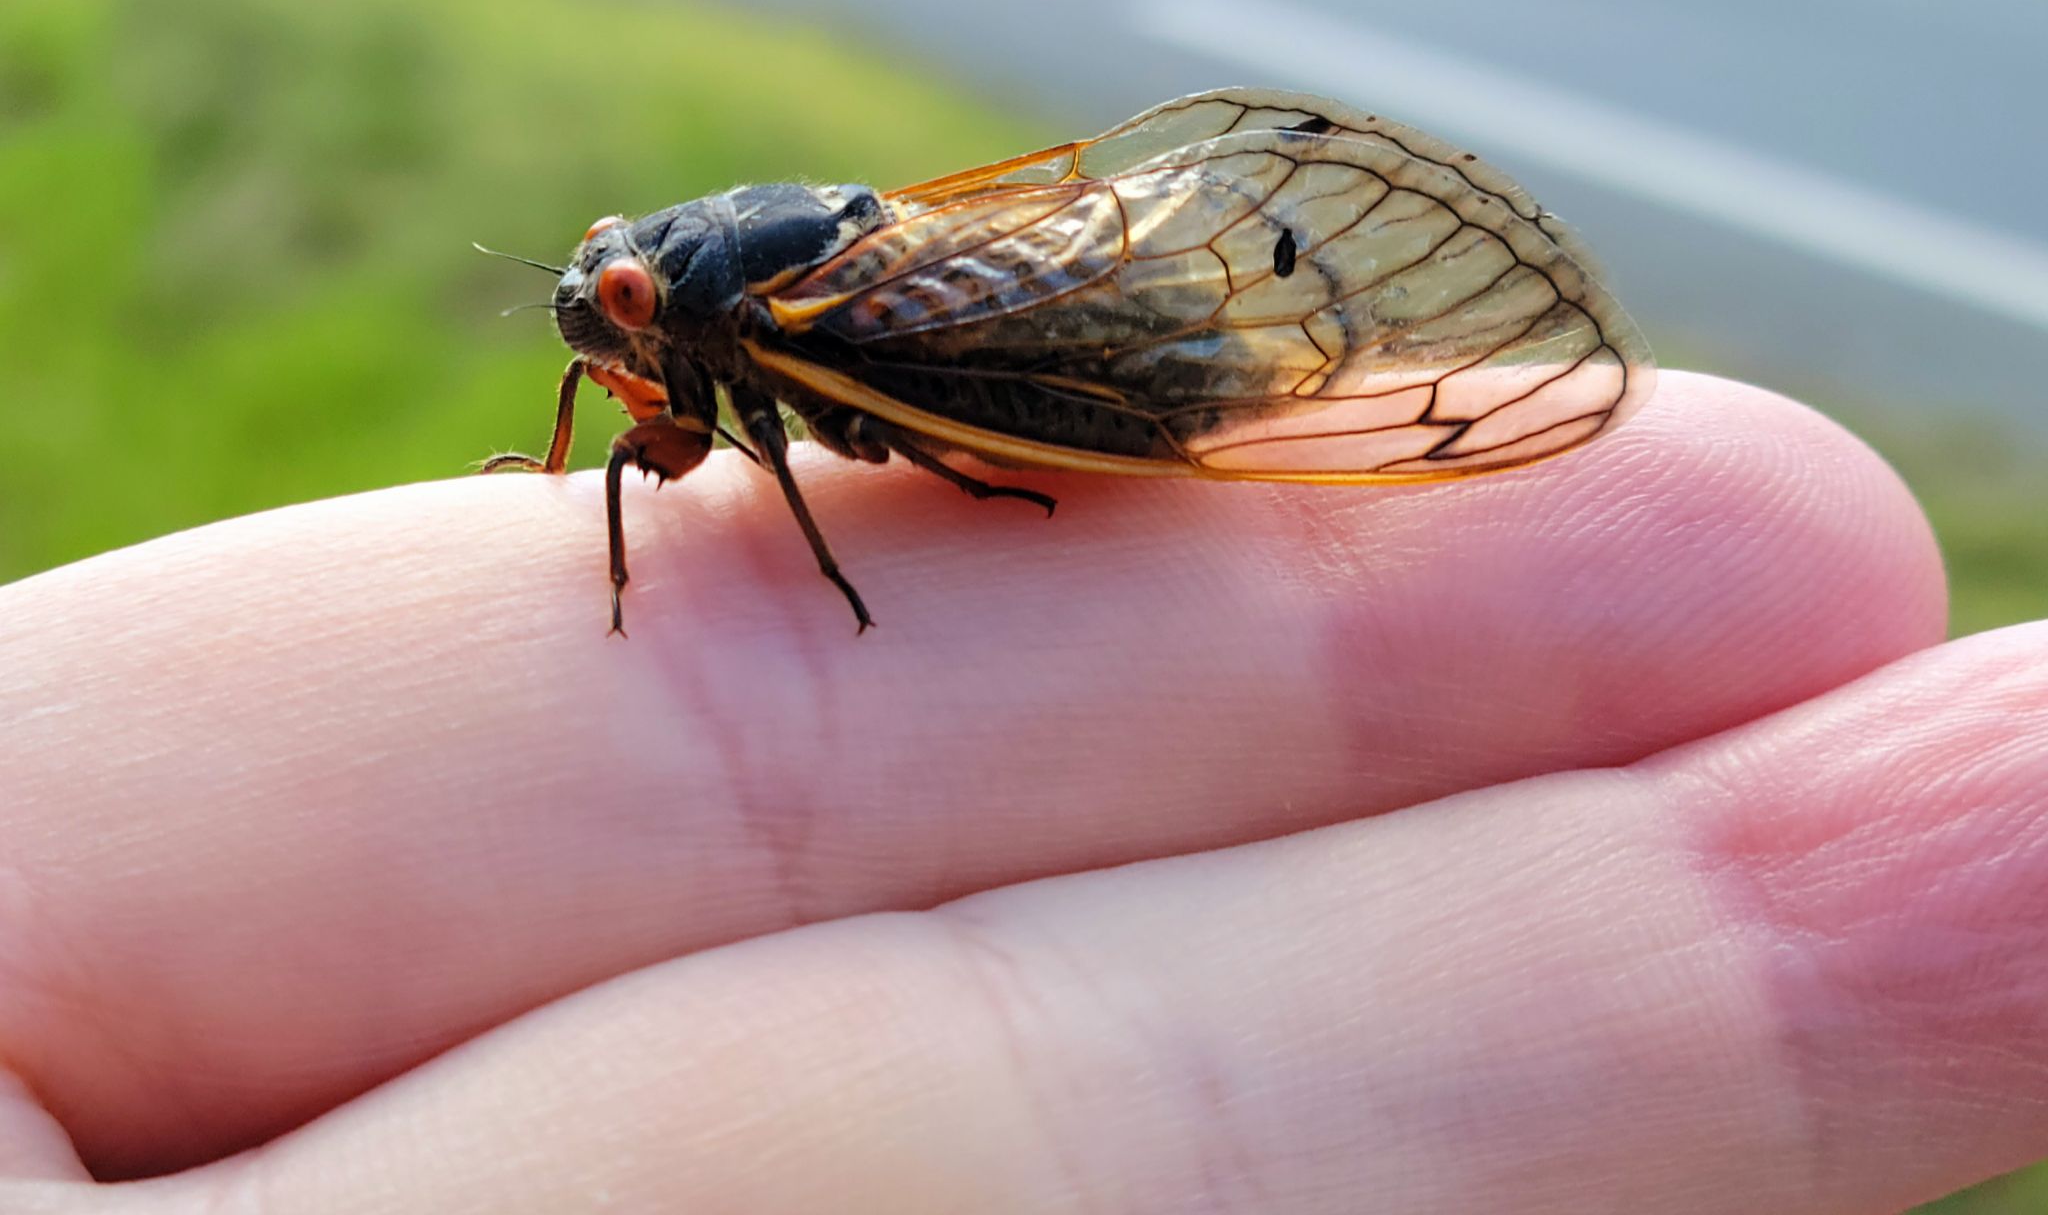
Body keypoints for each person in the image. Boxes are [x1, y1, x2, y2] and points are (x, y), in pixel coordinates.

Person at [0, 372, 2041, 1212]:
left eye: (629, 330)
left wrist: (937, 472)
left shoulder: (773, 357)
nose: (619, 368)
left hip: (1021, 339)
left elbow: (792, 452)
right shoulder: (682, 374)